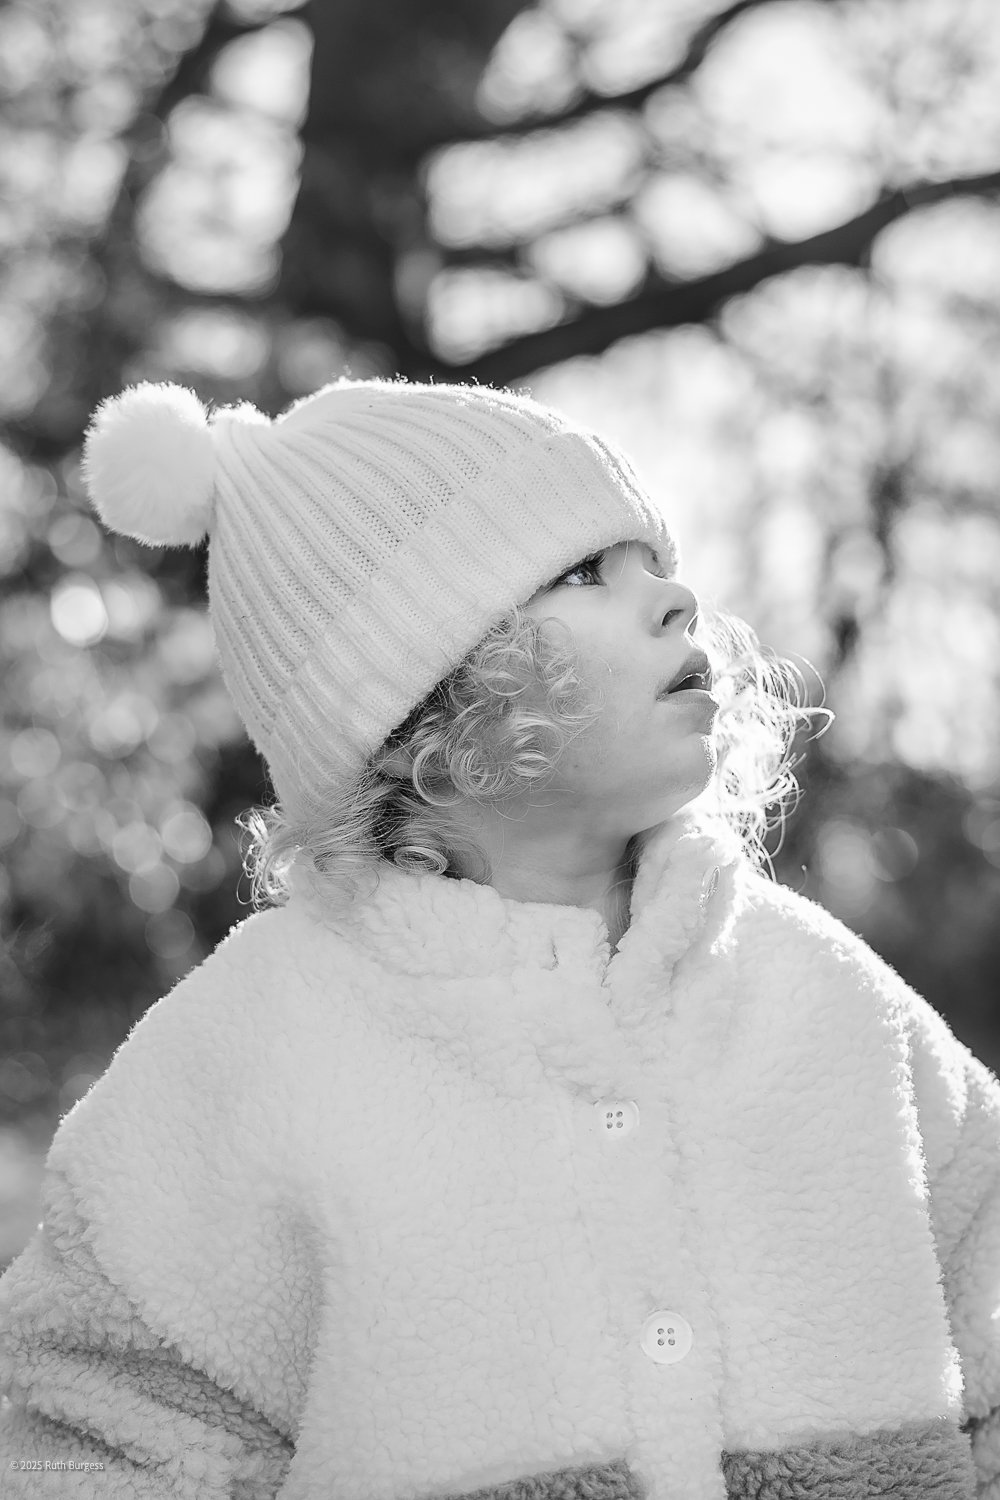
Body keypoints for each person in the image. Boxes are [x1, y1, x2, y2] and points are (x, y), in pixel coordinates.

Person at [0, 377, 998, 1500]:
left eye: (654, 560)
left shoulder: (822, 995)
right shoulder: (249, 1051)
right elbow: (86, 1425)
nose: (675, 598)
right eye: (585, 572)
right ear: (413, 704)